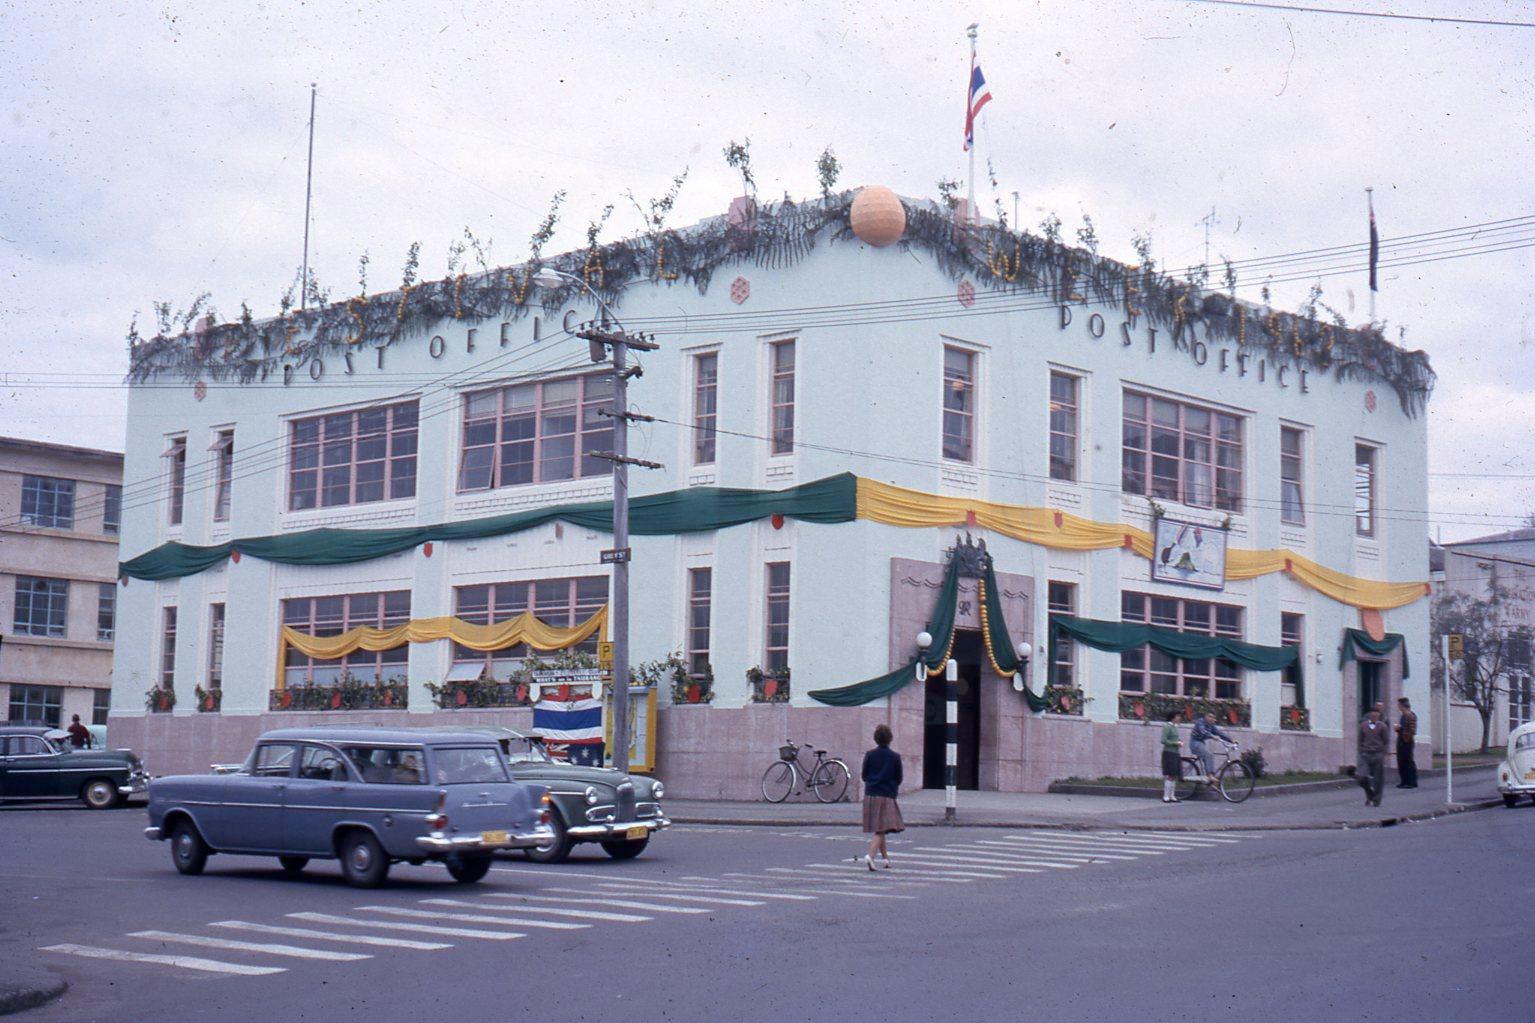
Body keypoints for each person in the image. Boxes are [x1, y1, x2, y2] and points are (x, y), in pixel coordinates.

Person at [860, 724, 904, 870]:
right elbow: (899, 777)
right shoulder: (895, 757)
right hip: (886, 795)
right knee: (881, 829)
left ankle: (885, 859)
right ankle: (870, 856)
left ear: (876, 738)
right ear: (890, 739)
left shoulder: (869, 754)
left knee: (881, 828)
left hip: (871, 794)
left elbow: (864, 775)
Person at [1189, 712, 1234, 787]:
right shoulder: (1200, 722)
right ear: (1206, 716)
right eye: (1210, 717)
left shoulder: (1211, 725)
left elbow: (1219, 733)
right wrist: (1212, 736)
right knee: (1208, 755)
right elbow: (1203, 732)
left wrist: (1231, 740)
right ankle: (1209, 775)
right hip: (1195, 742)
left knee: (1209, 755)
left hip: (1201, 742)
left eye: (1213, 718)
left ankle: (1209, 779)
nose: (1212, 719)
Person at [1358, 706, 1391, 806]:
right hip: (1366, 754)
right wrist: (1361, 750)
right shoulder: (1363, 725)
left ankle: (1377, 799)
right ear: (1370, 715)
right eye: (1372, 715)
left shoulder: (1383, 726)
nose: (1374, 717)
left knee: (1378, 778)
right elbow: (1360, 739)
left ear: (1379, 716)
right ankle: (1370, 793)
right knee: (1362, 776)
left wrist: (1383, 752)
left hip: (1377, 754)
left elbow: (1386, 740)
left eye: (1376, 715)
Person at [1394, 696, 1419, 789]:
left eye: (1399, 705)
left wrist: (1400, 729)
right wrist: (1399, 730)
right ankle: (1404, 781)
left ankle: (1411, 781)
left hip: (1407, 741)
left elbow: (1412, 730)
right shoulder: (1403, 716)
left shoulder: (1410, 715)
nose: (1398, 707)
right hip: (1402, 740)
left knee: (1408, 761)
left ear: (1403, 705)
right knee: (1401, 761)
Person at [1160, 710, 1183, 804]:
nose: (1179, 718)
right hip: (1169, 752)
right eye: (1178, 716)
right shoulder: (1167, 726)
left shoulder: (1175, 727)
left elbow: (1176, 738)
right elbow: (1163, 740)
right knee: (1170, 774)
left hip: (1176, 752)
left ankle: (1172, 795)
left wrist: (1180, 741)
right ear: (1173, 717)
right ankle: (1166, 796)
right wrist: (1175, 743)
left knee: (1174, 774)